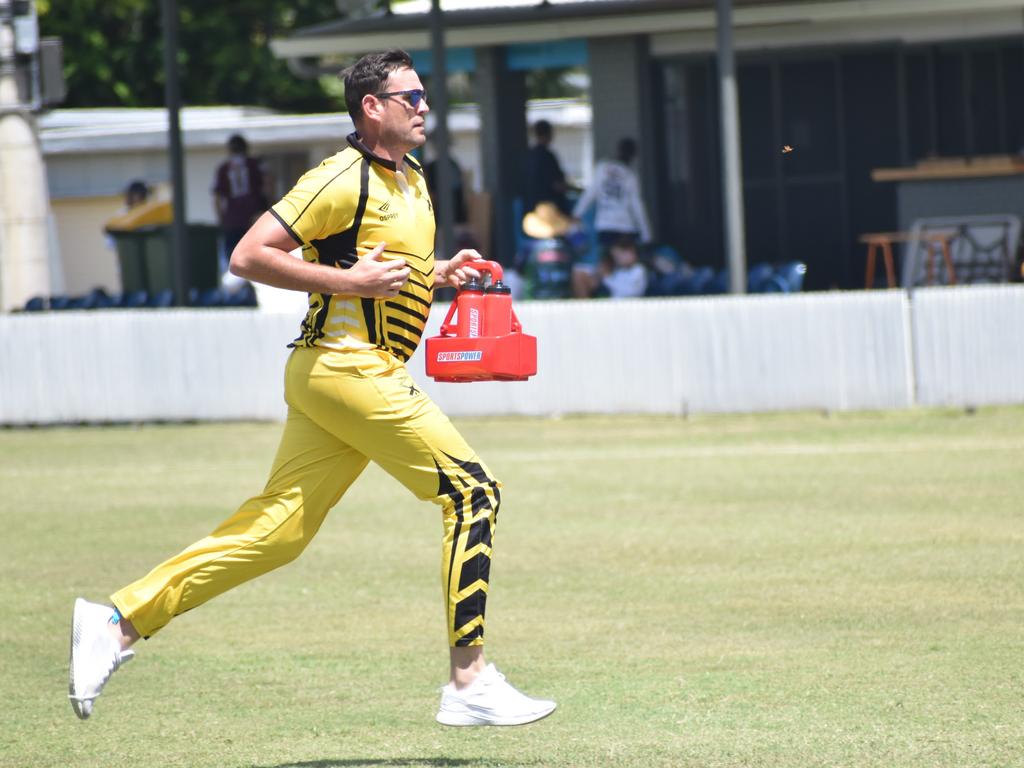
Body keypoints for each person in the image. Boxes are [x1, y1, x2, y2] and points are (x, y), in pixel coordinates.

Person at [67, 48, 556, 729]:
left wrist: (437, 272)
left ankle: (117, 623)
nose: (423, 106)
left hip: (339, 375)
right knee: (474, 492)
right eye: (408, 96)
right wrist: (351, 284)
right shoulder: (339, 178)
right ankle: (468, 680)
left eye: (424, 94)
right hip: (349, 366)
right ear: (371, 108)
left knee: (278, 533)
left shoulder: (410, 178)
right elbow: (248, 255)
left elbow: (384, 258)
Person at [571, 138, 652, 299]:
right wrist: (646, 234)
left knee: (606, 268)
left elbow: (590, 194)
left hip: (606, 227)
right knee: (624, 269)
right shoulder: (629, 174)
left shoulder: (602, 168)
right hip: (625, 229)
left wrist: (576, 214)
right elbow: (637, 205)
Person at [212, 134, 268, 275]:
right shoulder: (254, 164)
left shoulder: (224, 168)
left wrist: (222, 219)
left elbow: (217, 197)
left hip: (232, 220)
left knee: (232, 260)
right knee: (255, 259)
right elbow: (268, 186)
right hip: (253, 218)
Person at [524, 119, 571, 216]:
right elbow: (557, 184)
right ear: (548, 134)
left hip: (531, 210)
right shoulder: (547, 157)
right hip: (549, 212)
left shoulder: (528, 155)